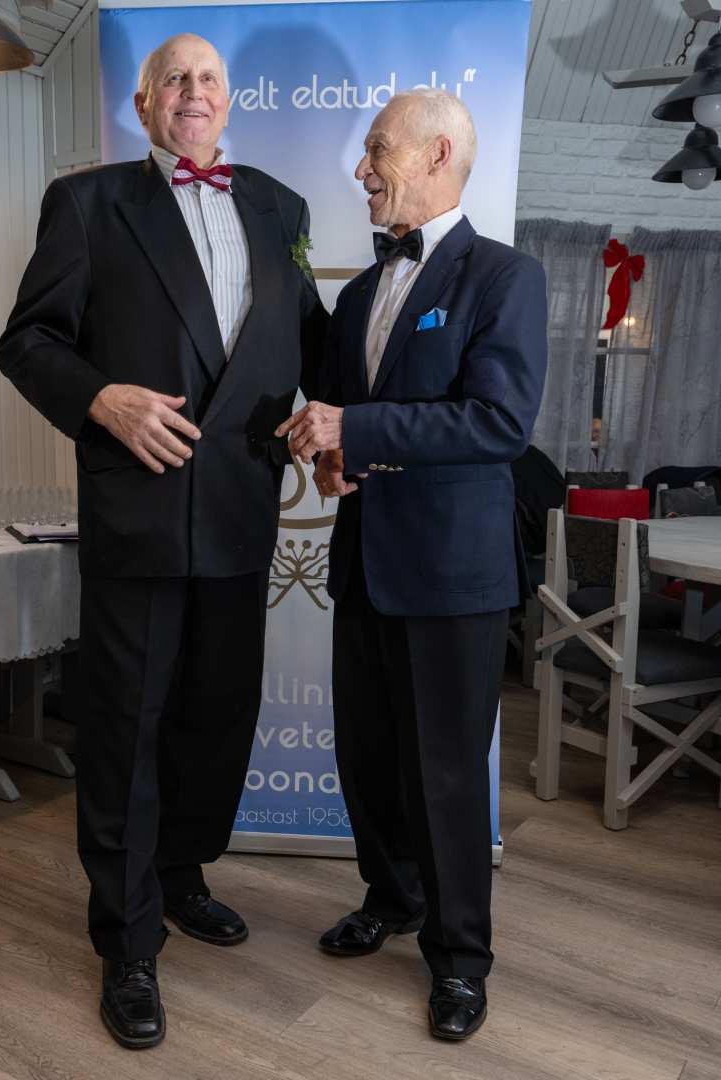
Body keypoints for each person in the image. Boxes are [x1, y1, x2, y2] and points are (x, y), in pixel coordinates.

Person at [0, 33, 326, 1049]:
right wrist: (101, 397)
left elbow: (307, 335)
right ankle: (128, 942)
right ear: (143, 105)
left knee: (216, 719)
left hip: (241, 509)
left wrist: (353, 425)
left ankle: (180, 875)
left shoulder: (280, 207)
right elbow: (27, 341)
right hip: (138, 511)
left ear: (230, 101)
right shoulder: (86, 205)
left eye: (208, 78)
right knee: (126, 731)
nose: (192, 91)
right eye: (173, 78)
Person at [276, 88, 547, 1042]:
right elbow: (342, 423)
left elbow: (498, 423)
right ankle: (391, 897)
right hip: (365, 565)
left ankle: (460, 960)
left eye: (378, 149)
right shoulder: (357, 295)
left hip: (453, 577)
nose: (362, 169)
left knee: (445, 776)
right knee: (369, 758)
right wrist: (331, 456)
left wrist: (355, 428)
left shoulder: (505, 276)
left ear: (437, 154)